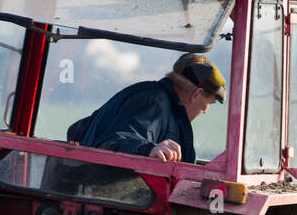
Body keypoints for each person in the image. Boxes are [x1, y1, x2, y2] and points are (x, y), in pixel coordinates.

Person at [67, 52, 226, 163]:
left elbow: (78, 130)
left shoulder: (153, 98)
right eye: (209, 104)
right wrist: (147, 150)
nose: (205, 111)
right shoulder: (153, 104)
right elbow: (114, 141)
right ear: (196, 94)